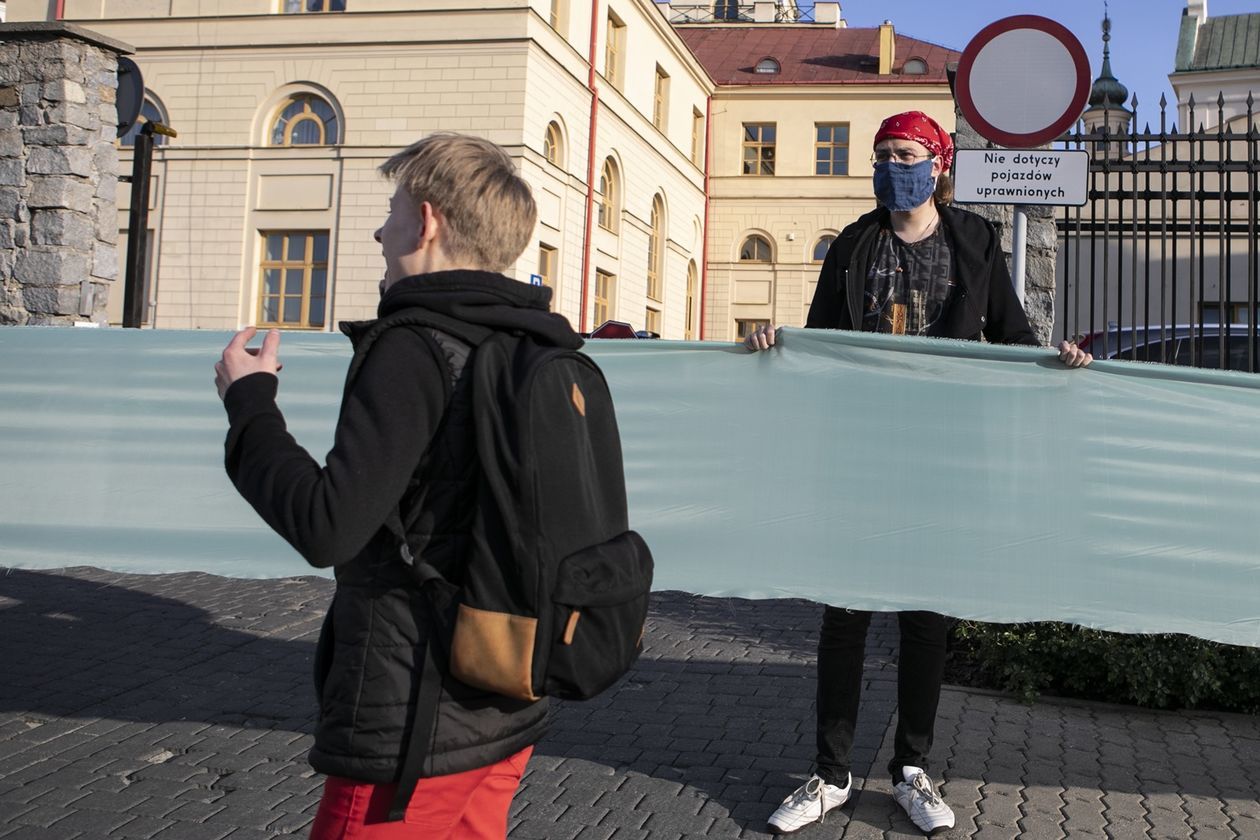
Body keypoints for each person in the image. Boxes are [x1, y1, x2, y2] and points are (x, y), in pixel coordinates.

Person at [214, 133, 581, 839]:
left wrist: (250, 405)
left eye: (390, 211)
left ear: (428, 219)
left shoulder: (415, 344)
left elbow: (327, 526)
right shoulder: (531, 343)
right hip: (505, 692)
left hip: (413, 720)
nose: (380, 232)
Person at [746, 111, 1091, 836]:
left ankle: (911, 769)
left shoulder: (974, 240)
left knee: (924, 619)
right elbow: (818, 339)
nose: (889, 165)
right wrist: (773, 342)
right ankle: (831, 775)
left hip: (941, 456)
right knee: (844, 616)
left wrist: (1056, 361)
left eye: (903, 153)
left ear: (938, 163)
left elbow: (1011, 334)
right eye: (881, 155)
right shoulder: (853, 244)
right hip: (859, 455)